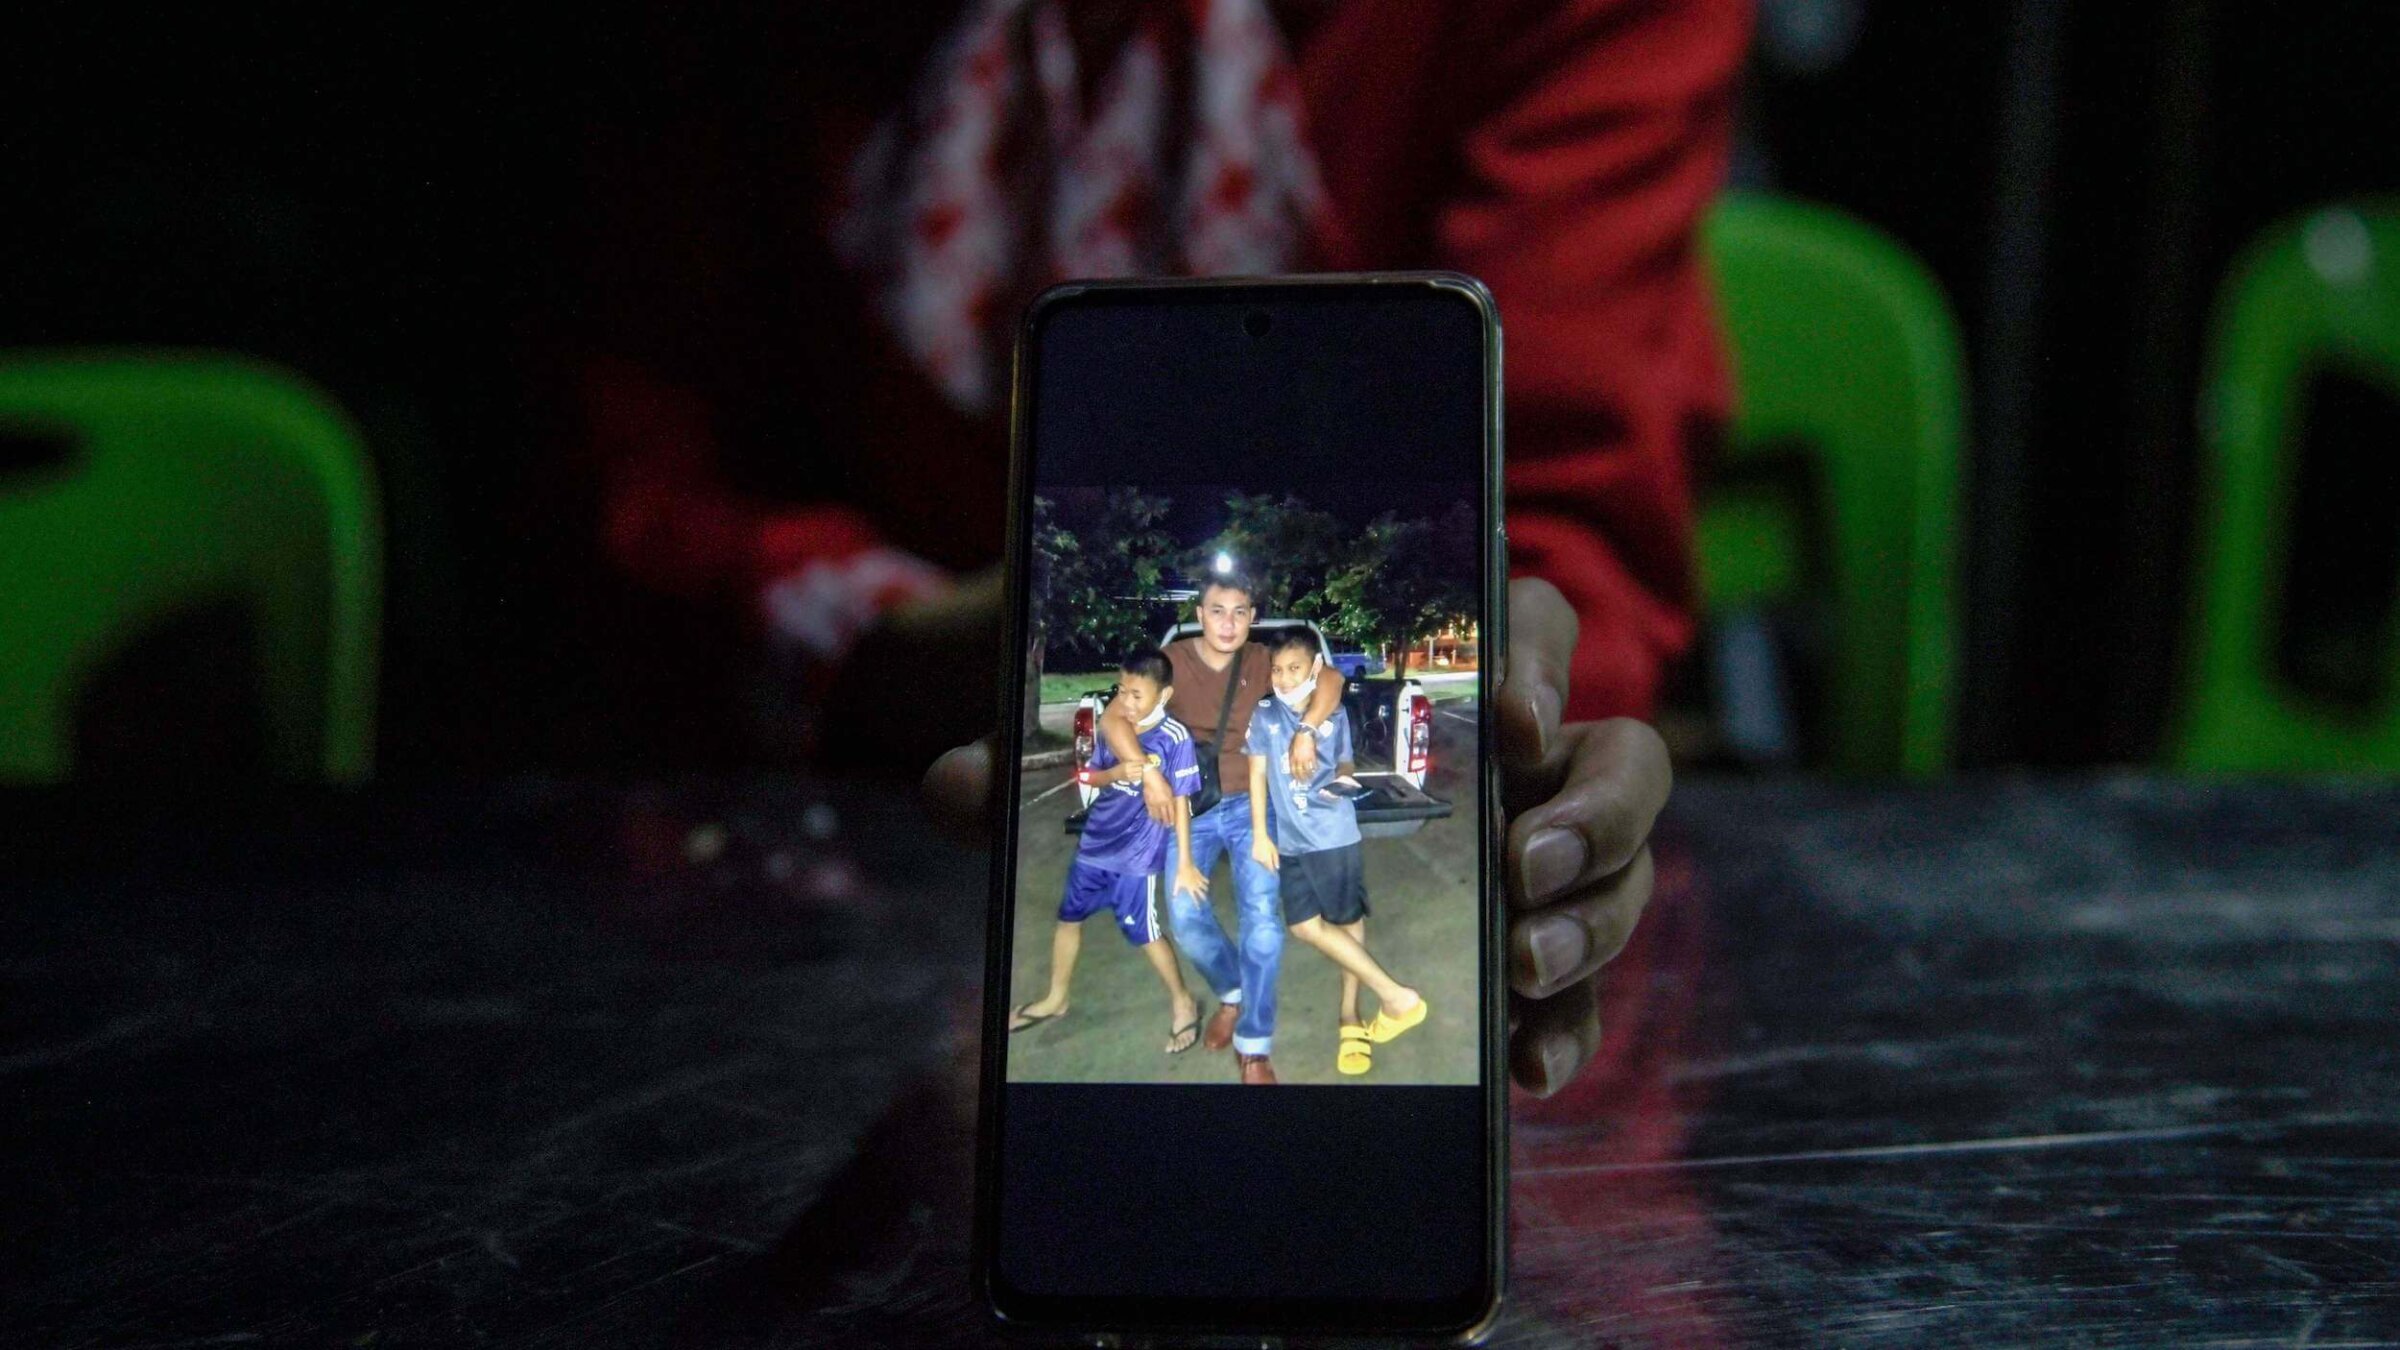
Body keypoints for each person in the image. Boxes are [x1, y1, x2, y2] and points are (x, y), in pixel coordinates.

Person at [569, 0, 1744, 1096]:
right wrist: (895, 642)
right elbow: (637, 457)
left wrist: (1505, 732)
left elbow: (1564, 525)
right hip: (794, 868)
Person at [1097, 571, 1345, 1085]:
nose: (1228, 623)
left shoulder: (1261, 658)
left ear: (1253, 617)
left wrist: (1306, 730)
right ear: (1198, 613)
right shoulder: (1171, 662)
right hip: (1192, 807)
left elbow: (1332, 682)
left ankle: (1254, 1045)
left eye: (1239, 612)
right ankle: (1232, 992)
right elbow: (1114, 719)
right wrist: (1146, 772)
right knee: (1186, 918)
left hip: (1257, 802)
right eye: (1216, 610)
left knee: (1262, 922)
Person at [1008, 648, 1211, 1053]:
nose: (1128, 702)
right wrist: (1117, 772)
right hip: (1095, 844)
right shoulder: (1117, 730)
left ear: (1164, 696)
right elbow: (1090, 777)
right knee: (1068, 918)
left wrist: (1185, 862)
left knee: (1146, 933)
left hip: (1137, 857)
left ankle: (1183, 1001)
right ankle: (1056, 997)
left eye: (1138, 695)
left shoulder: (1175, 739)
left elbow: (1184, 804)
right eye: (1123, 691)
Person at [1245, 630, 1425, 1076]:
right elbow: (1256, 774)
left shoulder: (1333, 713)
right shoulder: (1264, 715)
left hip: (1332, 835)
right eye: (1277, 670)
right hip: (1289, 840)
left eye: (1294, 669)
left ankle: (1351, 1017)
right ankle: (1397, 997)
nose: (1284, 678)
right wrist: (1258, 834)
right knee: (1305, 927)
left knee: (1346, 922)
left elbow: (1345, 762)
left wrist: (1341, 781)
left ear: (1312, 670)